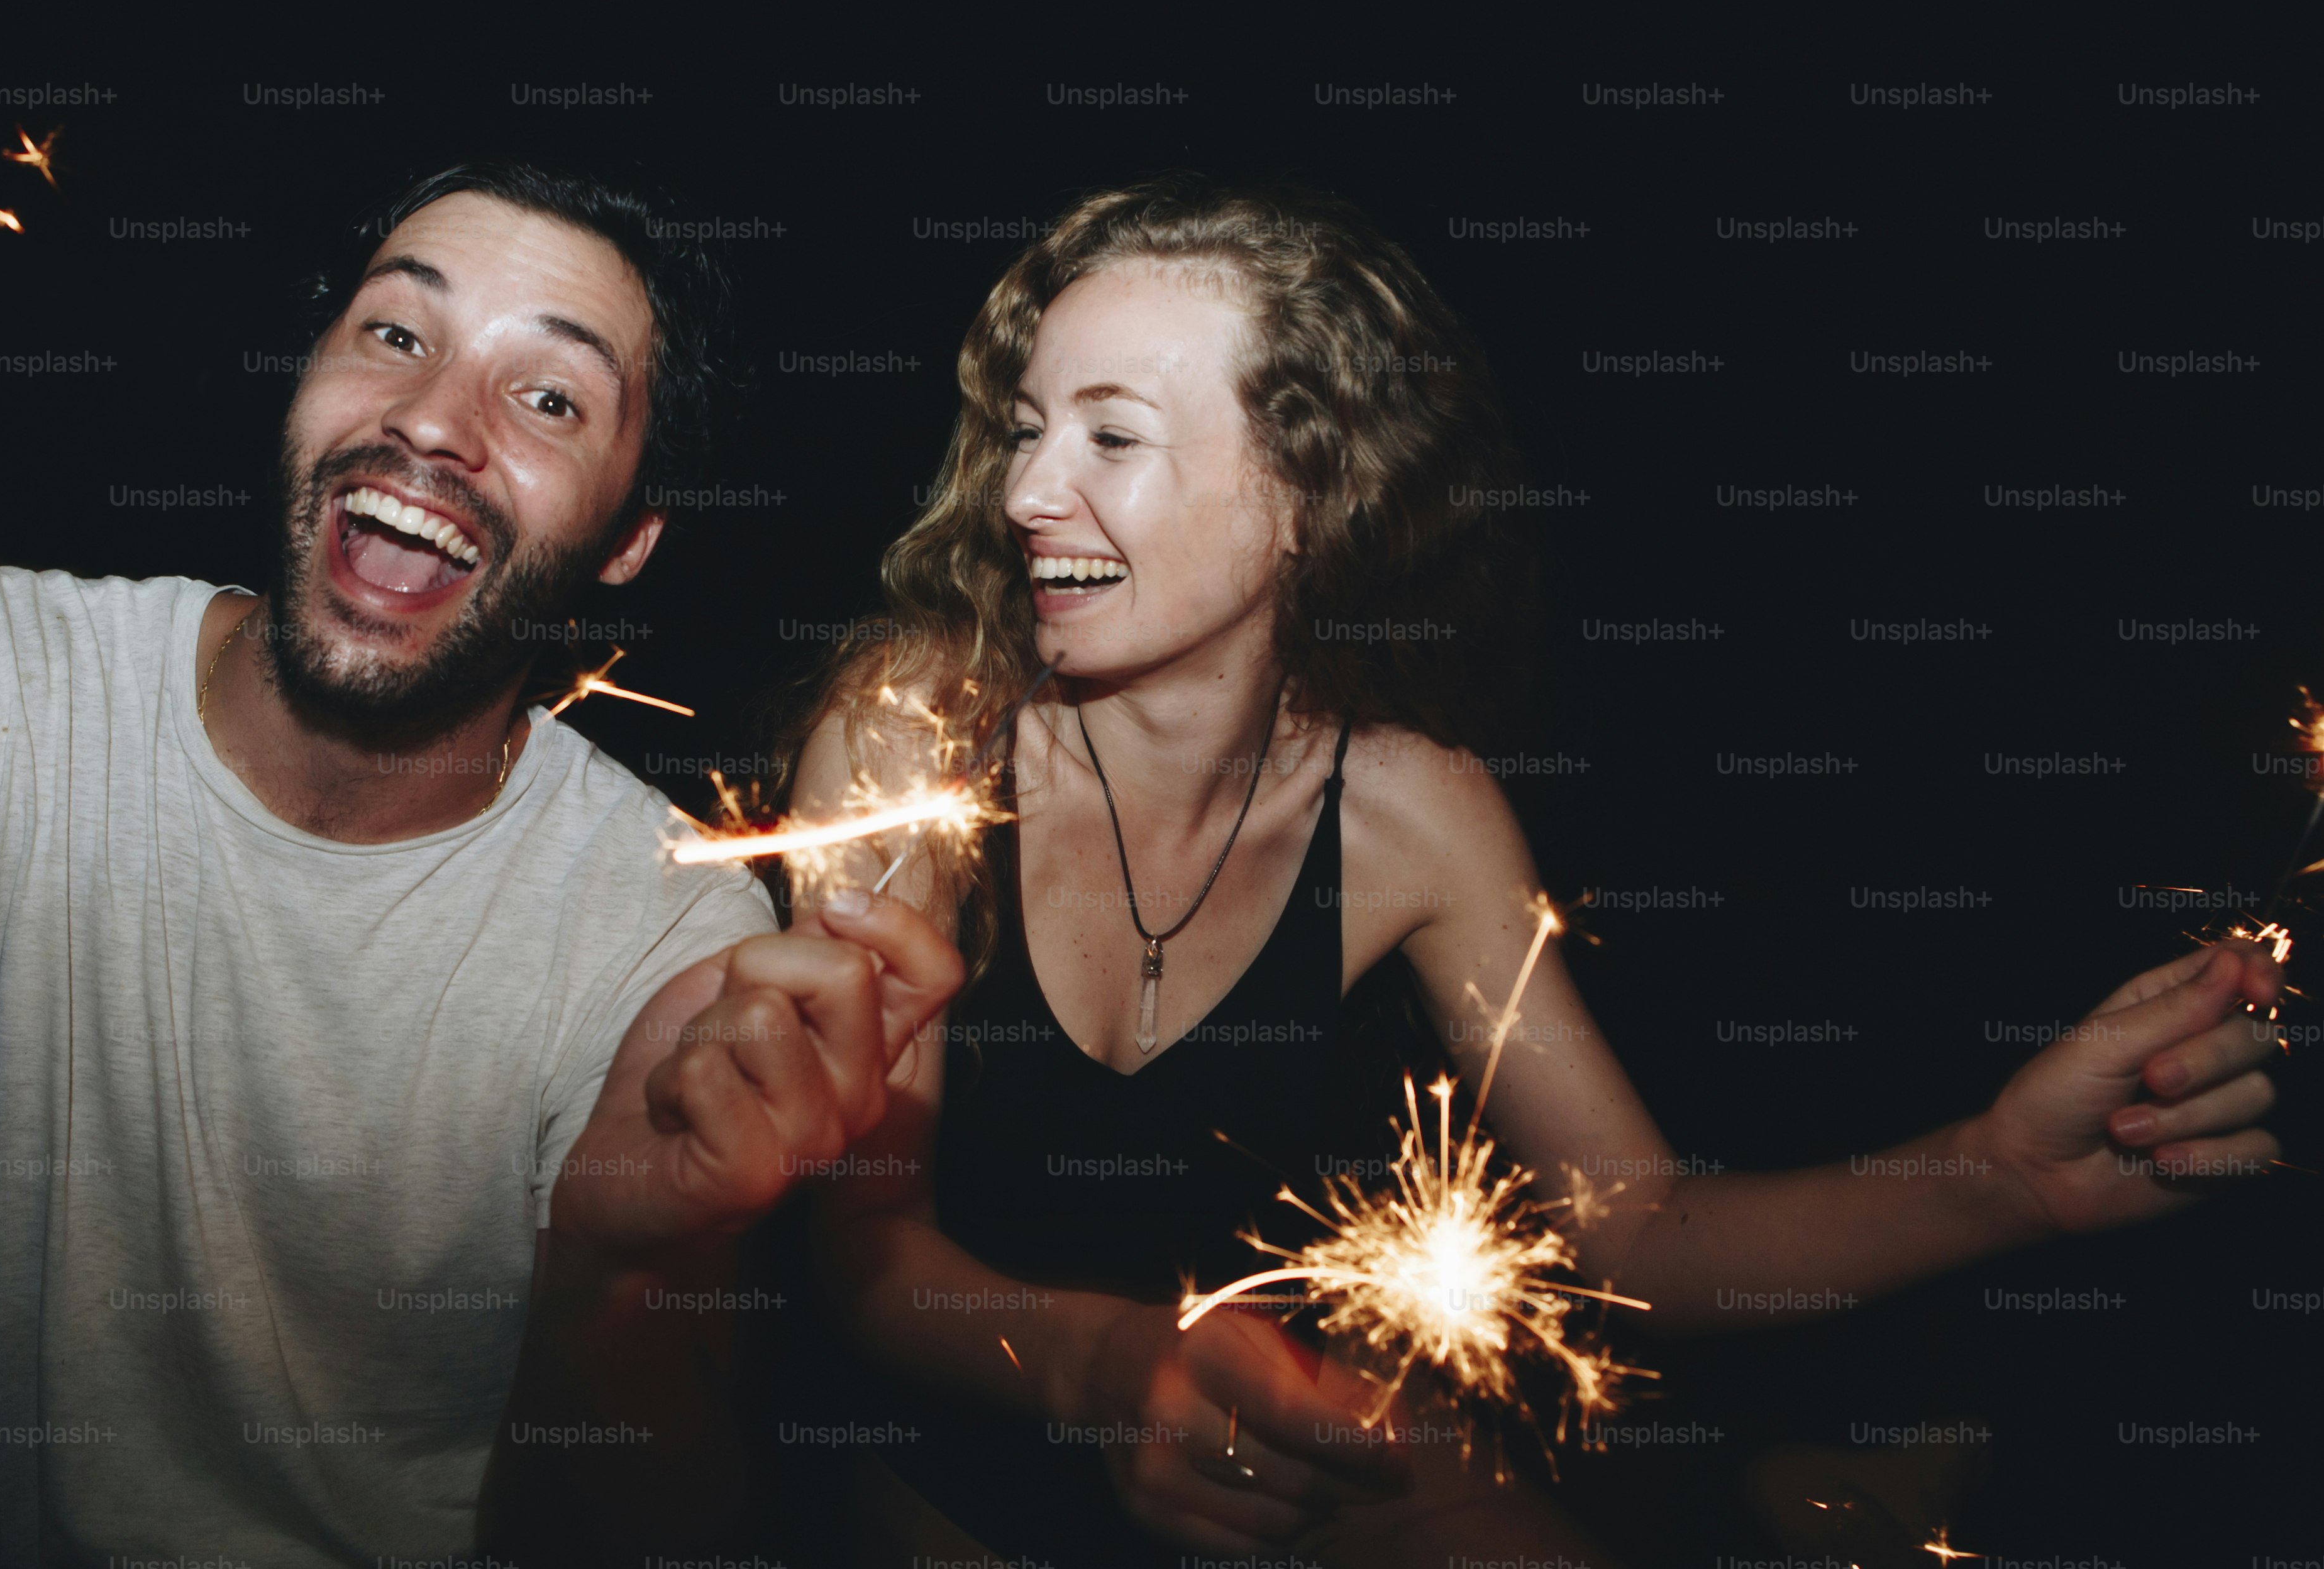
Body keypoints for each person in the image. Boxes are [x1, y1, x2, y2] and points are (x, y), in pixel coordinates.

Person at [780, 176, 2286, 1563]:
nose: (1026, 489)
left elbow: (1631, 1225)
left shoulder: (1414, 810)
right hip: (941, 1480)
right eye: (1027, 423)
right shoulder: (916, 738)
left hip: (1284, 1460)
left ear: (1310, 490)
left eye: (1109, 434)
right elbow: (863, 1251)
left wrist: (2002, 1174)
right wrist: (1104, 1364)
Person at [0, 162, 962, 1567]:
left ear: (628, 537)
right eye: (396, 333)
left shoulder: (668, 931)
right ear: (305, 378)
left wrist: (618, 1268)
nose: (434, 422)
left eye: (550, 398)